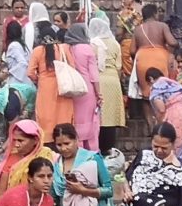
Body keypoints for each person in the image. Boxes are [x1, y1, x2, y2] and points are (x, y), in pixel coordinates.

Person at [27, 21, 76, 142]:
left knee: (46, 117)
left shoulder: (38, 50)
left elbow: (30, 73)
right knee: (63, 115)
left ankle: (47, 141)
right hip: (62, 86)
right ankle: (64, 139)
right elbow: (72, 67)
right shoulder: (64, 48)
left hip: (45, 88)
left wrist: (39, 79)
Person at [130, 5, 176, 124]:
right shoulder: (162, 26)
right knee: (162, 91)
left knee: (146, 96)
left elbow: (132, 51)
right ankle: (162, 124)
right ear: (155, 14)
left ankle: (151, 126)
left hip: (142, 59)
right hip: (160, 59)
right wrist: (177, 45)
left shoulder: (138, 29)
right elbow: (171, 42)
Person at [88, 17, 125, 152]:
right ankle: (109, 147)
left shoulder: (92, 44)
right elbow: (119, 66)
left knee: (100, 114)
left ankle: (98, 146)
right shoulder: (115, 44)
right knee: (111, 115)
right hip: (113, 80)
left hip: (99, 80)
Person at [63, 24, 101, 152]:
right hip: (87, 89)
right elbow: (94, 76)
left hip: (72, 88)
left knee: (77, 122)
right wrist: (98, 93)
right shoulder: (87, 49)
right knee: (90, 122)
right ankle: (92, 152)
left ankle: (77, 151)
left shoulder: (67, 48)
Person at [3, 20, 31, 88]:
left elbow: (23, 63)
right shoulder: (23, 45)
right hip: (25, 81)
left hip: (17, 82)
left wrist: (7, 73)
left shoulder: (13, 46)